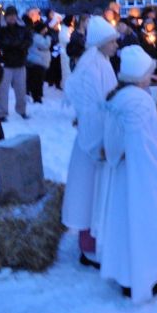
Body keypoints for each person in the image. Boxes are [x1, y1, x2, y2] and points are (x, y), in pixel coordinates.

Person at [99, 46, 157, 302]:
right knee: (144, 221)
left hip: (123, 172)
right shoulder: (141, 100)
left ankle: (126, 274)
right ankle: (144, 276)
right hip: (143, 174)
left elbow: (113, 144)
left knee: (124, 221)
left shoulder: (118, 97)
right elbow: (148, 140)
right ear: (141, 75)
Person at [62, 16, 119, 268]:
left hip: (100, 138)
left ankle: (95, 242)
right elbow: (91, 108)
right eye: (112, 41)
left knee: (96, 194)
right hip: (92, 144)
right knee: (89, 194)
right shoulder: (92, 66)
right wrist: (99, 144)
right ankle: (88, 247)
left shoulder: (101, 62)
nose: (117, 45)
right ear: (101, 43)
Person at [0, 5, 32, 121]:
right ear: (6, 17)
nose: (12, 18)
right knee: (2, 90)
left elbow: (28, 40)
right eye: (10, 16)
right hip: (5, 63)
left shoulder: (22, 27)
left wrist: (19, 45)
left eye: (14, 15)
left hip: (20, 62)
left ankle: (22, 110)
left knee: (21, 89)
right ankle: (1, 113)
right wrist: (16, 44)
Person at [26, 20, 52, 103]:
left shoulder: (36, 37)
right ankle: (37, 97)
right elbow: (46, 45)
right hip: (37, 62)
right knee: (37, 81)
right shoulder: (37, 37)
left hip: (38, 62)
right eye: (45, 29)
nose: (46, 31)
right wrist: (49, 37)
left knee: (37, 80)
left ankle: (37, 95)